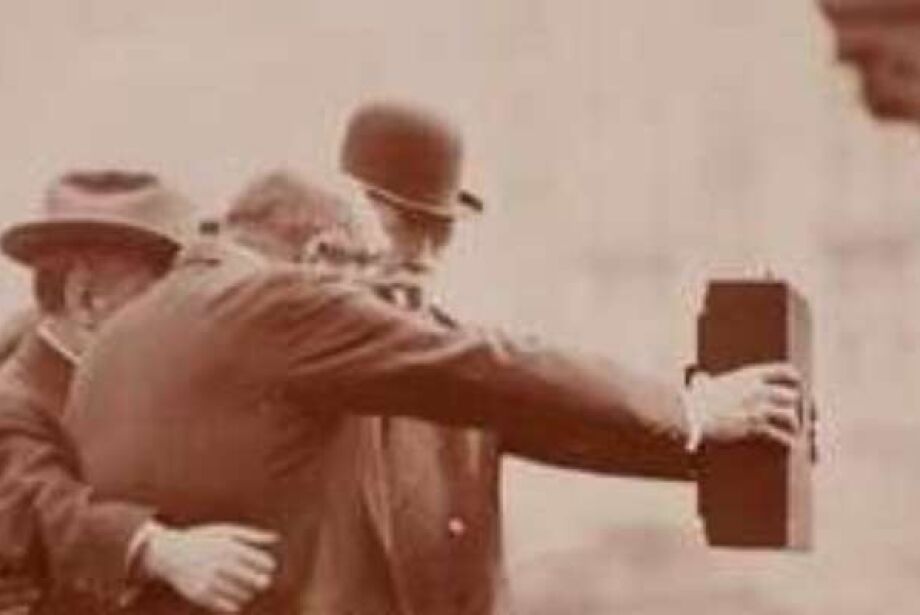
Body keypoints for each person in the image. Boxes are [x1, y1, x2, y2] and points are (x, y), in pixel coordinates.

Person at [61, 163, 802, 615]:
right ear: (321, 256)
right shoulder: (281, 302)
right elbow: (483, 364)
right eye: (361, 283)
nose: (378, 306)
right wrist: (692, 408)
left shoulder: (112, 344)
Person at [0, 171, 278, 615]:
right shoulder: (14, 403)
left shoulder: (129, 384)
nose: (182, 319)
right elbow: (44, 508)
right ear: (85, 298)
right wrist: (161, 551)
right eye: (161, 299)